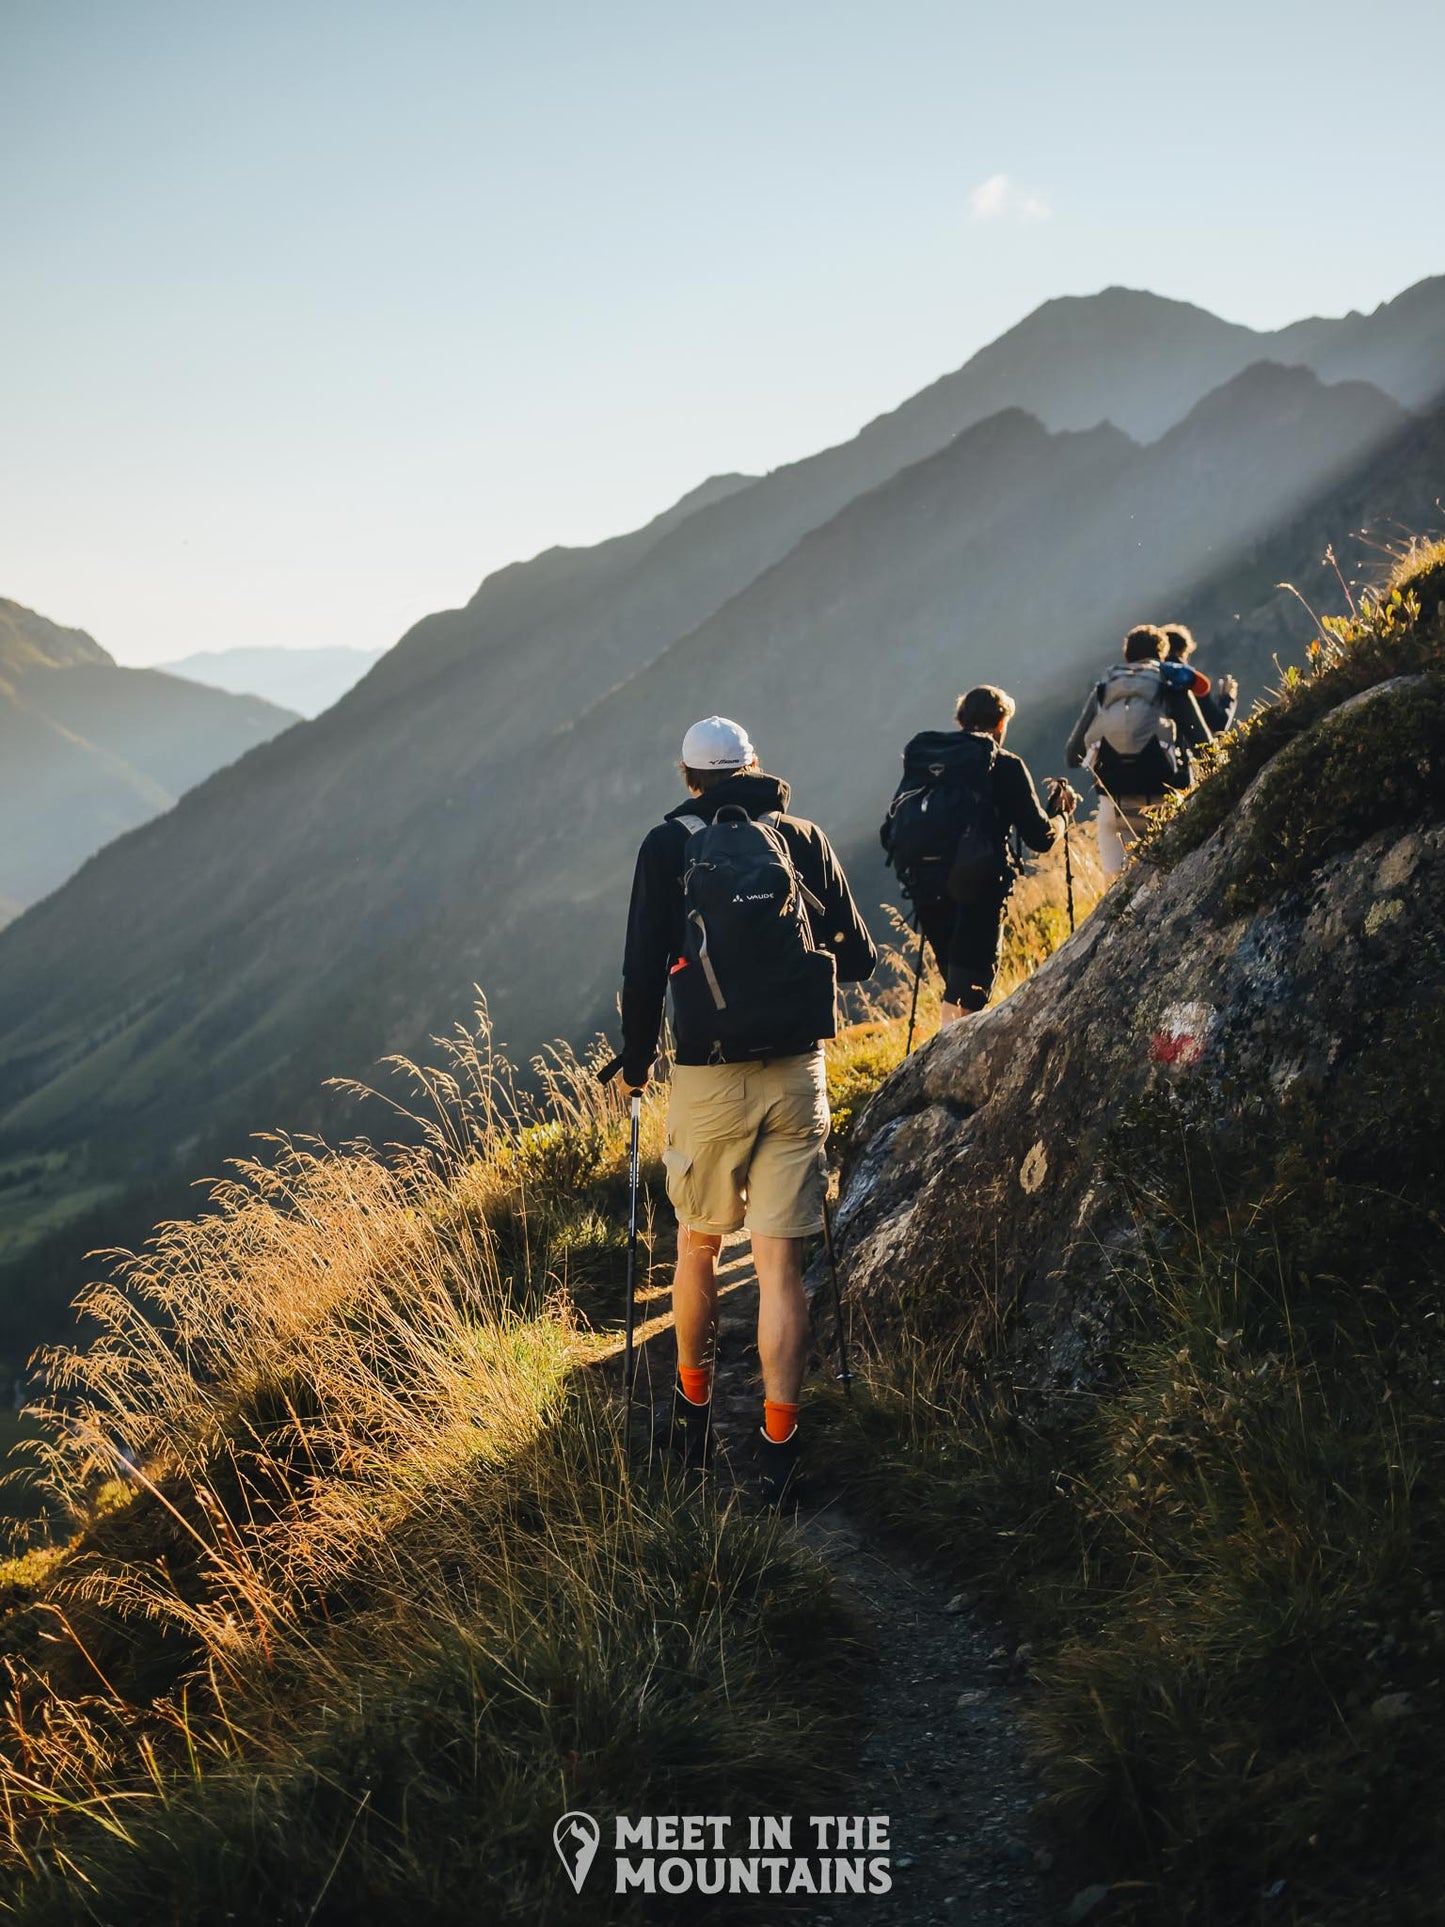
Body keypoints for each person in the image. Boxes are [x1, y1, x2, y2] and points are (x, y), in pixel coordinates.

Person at [617, 716, 876, 1502]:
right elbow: (858, 955)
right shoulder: (800, 836)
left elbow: (640, 967)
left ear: (688, 777)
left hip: (706, 1076)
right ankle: (778, 1445)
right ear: (755, 767)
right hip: (797, 1070)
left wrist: (636, 1064)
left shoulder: (667, 847)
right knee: (779, 1268)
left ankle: (692, 1414)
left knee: (696, 1245)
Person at [882, 685, 1078, 1028]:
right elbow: (1041, 837)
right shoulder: (1004, 765)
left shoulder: (927, 762)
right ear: (1001, 723)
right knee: (970, 991)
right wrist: (1062, 816)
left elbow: (891, 828)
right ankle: (948, 1061)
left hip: (924, 885)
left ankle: (945, 1054)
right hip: (978, 887)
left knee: (955, 985)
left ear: (960, 721)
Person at [1066, 624, 1211, 878]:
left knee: (1116, 897)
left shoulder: (1104, 689)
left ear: (1126, 656)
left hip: (1114, 806)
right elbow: (1205, 744)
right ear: (1162, 657)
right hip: (1163, 802)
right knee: (1166, 883)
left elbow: (1073, 755)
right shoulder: (1168, 685)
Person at [1163, 622, 1238, 735]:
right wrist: (1228, 697)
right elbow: (1218, 723)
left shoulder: (1153, 676)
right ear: (1182, 652)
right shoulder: (1186, 679)